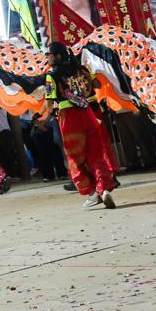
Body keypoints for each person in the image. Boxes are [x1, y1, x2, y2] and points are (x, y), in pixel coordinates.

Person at [44, 42, 117, 209]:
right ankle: (104, 189)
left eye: (49, 54)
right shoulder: (81, 69)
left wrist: (50, 116)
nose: (47, 57)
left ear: (57, 56)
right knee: (95, 153)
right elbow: (95, 84)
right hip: (88, 114)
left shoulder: (52, 75)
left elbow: (49, 104)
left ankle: (91, 193)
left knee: (75, 158)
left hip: (69, 118)